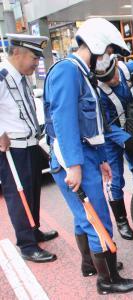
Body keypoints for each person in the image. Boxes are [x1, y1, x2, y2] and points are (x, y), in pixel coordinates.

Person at [44, 18, 133, 294]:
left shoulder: (82, 73)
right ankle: (107, 280)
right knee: (97, 216)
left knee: (82, 216)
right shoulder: (68, 72)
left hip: (86, 155)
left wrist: (101, 159)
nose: (109, 57)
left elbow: (92, 124)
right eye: (109, 51)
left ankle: (91, 264)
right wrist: (74, 165)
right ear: (98, 46)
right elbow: (64, 123)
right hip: (73, 158)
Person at [0, 34, 58, 263]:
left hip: (31, 144)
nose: (37, 63)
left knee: (33, 191)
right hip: (14, 149)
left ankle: (33, 230)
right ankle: (26, 245)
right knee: (19, 196)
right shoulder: (2, 77)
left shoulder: (21, 77)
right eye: (34, 57)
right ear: (17, 53)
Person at [96, 55, 133, 240]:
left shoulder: (131, 69)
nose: (112, 81)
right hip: (112, 137)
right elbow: (103, 123)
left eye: (113, 75)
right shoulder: (97, 90)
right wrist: (123, 138)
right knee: (115, 178)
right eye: (107, 80)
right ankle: (121, 221)